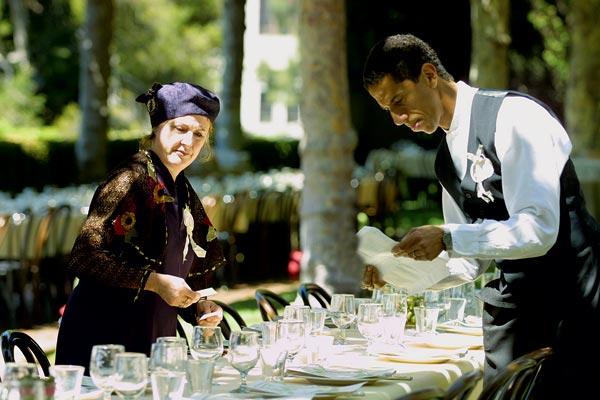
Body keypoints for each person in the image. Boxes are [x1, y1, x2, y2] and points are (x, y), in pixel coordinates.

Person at [360, 34, 600, 397]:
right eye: (388, 110)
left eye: (398, 100)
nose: (397, 119)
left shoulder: (514, 117)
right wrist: (394, 271)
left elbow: (539, 228)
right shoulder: (446, 161)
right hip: (516, 310)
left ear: (429, 75)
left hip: (577, 300)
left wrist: (448, 237)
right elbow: (469, 263)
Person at [56, 82, 227, 371]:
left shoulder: (181, 189)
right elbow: (84, 256)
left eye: (199, 134)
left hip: (152, 339)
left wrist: (199, 305)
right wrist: (154, 282)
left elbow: (183, 271)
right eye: (180, 128)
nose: (188, 142)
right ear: (157, 128)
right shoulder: (129, 179)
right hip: (103, 341)